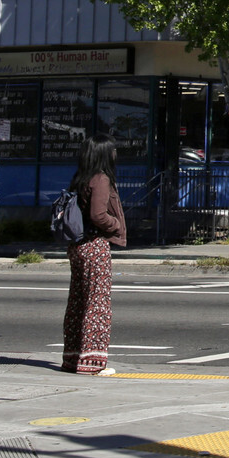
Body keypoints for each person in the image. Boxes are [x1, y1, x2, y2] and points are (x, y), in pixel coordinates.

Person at [62, 136, 126, 376]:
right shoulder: (101, 179)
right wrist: (116, 224)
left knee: (78, 301)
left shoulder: (82, 177)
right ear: (103, 153)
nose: (115, 154)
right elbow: (98, 215)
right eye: (112, 150)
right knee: (97, 303)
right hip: (94, 244)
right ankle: (93, 363)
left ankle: (72, 358)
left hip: (78, 245)